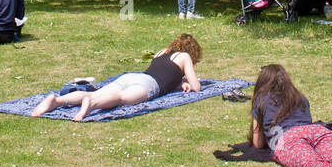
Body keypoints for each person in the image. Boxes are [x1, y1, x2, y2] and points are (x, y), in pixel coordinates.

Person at [30, 34, 203, 120]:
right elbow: (196, 87)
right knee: (121, 99)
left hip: (133, 77)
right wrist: (186, 81)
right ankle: (92, 105)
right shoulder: (184, 56)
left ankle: (58, 101)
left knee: (94, 92)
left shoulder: (162, 52)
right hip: (149, 84)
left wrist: (180, 83)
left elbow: (167, 75)